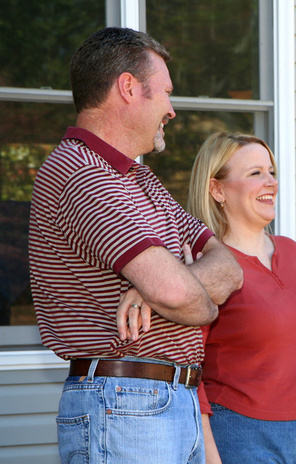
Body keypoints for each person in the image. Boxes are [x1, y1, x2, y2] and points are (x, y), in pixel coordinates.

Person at [28, 28, 242, 463]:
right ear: (128, 88)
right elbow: (188, 300)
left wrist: (153, 286)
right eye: (165, 93)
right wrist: (180, 291)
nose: (173, 110)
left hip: (162, 400)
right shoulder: (80, 174)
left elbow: (230, 265)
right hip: (124, 401)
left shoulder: (141, 181)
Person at [186, 131, 296, 463]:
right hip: (246, 433)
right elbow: (190, 367)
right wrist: (210, 455)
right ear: (217, 189)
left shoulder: (291, 251)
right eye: (255, 173)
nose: (270, 181)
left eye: (271, 171)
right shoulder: (207, 266)